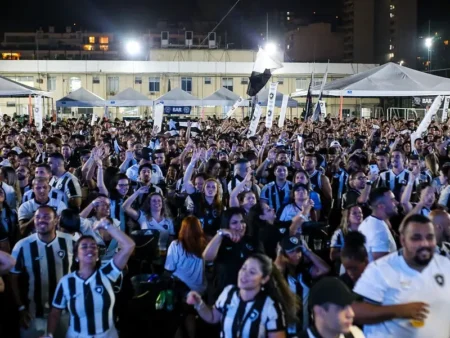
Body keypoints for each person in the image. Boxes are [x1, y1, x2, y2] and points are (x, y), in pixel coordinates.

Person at [353, 214, 450, 338]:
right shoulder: (381, 269)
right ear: (403, 240)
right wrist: (400, 311)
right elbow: (358, 312)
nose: (424, 243)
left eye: (429, 237)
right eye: (416, 238)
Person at [45, 217, 135, 338]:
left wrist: (106, 225)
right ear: (76, 256)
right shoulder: (66, 282)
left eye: (93, 246)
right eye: (84, 246)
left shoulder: (107, 273)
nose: (90, 248)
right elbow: (55, 313)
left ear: (98, 256)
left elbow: (129, 245)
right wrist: (49, 335)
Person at [186, 253, 299, 338]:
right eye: (244, 268)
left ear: (264, 279)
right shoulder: (229, 292)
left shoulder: (270, 306)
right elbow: (212, 317)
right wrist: (199, 303)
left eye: (252, 272)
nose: (244, 274)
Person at [10, 206, 74, 338]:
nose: (41, 220)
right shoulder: (22, 246)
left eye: (46, 217)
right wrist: (20, 308)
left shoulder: (71, 242)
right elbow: (13, 279)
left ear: (56, 220)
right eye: (37, 217)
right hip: (34, 315)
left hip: (65, 313)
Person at [357, 187, 398, 261]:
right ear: (381, 206)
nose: (396, 202)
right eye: (392, 200)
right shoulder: (377, 229)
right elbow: (382, 264)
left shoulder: (375, 222)